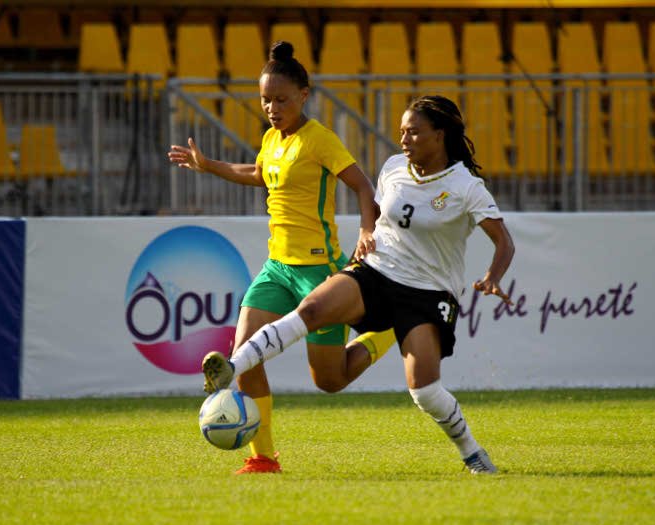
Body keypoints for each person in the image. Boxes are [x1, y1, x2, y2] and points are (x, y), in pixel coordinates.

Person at [202, 95, 516, 474]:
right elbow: (381, 218)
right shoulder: (394, 168)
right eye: (401, 132)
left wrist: (492, 277)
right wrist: (361, 247)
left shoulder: (467, 186)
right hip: (377, 272)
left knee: (425, 391)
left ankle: (471, 452)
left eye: (414, 132)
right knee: (312, 310)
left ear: (440, 135)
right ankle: (231, 368)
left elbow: (504, 242)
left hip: (427, 292)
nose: (404, 140)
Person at [168, 41, 396, 474]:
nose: (272, 108)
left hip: (319, 270)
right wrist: (208, 164)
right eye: (265, 100)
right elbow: (260, 173)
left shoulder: (320, 140)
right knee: (244, 354)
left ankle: (384, 333)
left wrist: (367, 230)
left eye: (281, 100)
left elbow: (364, 186)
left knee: (328, 379)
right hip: (277, 268)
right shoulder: (273, 138)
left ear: (304, 96)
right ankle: (263, 458)